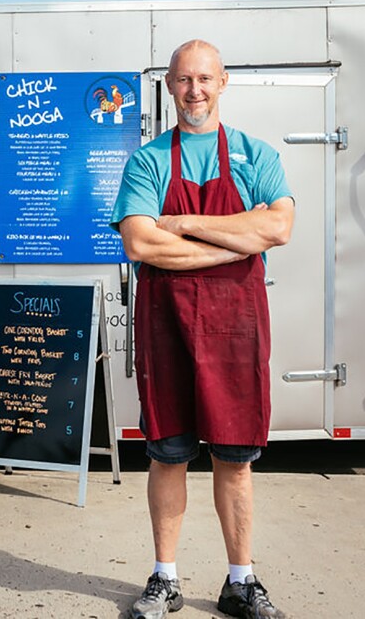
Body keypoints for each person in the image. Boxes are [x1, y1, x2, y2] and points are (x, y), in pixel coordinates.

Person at [111, 40, 294, 619]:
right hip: (165, 328)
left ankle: (241, 581)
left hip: (237, 329)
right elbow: (140, 241)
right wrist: (238, 244)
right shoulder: (146, 160)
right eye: (185, 79)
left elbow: (280, 227)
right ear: (169, 85)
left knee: (234, 459)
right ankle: (165, 579)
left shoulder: (254, 154)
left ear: (224, 82)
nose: (196, 90)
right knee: (167, 454)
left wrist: (187, 227)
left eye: (206, 78)